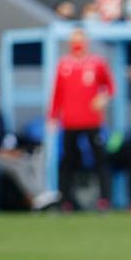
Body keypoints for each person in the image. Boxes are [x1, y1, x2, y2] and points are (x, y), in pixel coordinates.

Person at [0, 81, 58, 210]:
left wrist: (14, 150)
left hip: (3, 154)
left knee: (30, 158)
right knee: (17, 165)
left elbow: (4, 138)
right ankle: (39, 194)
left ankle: (39, 195)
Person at [50, 28, 113, 211]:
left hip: (92, 121)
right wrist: (53, 116)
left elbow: (109, 86)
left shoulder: (96, 63)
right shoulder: (64, 64)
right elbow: (57, 93)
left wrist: (103, 97)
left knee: (100, 160)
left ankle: (104, 200)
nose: (77, 44)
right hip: (70, 121)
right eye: (74, 40)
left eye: (80, 40)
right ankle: (65, 201)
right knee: (68, 161)